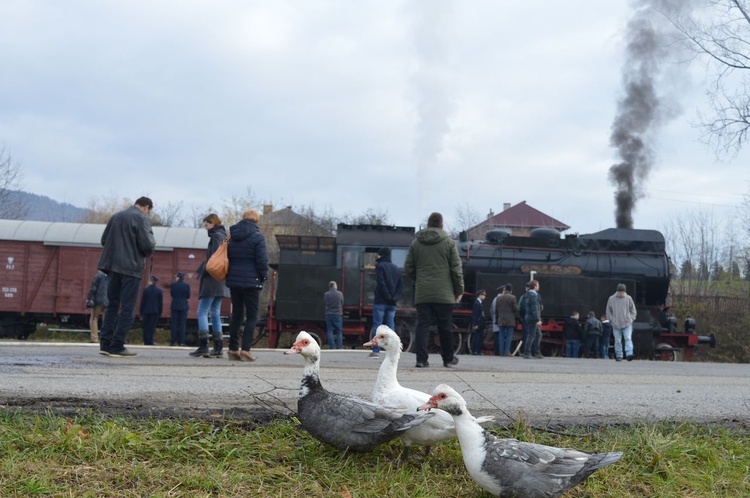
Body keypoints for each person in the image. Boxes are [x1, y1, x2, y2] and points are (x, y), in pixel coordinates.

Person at [404, 212, 464, 368]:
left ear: (428, 225)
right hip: (444, 293)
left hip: (423, 292)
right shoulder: (449, 243)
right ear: (442, 225)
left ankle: (421, 360)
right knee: (445, 326)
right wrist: (459, 290)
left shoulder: (416, 243)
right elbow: (456, 270)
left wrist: (421, 279)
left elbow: (408, 268)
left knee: (422, 325)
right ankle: (448, 359)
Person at [97, 196, 156, 357]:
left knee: (111, 305)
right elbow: (147, 245)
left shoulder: (116, 216)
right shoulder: (141, 218)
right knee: (128, 308)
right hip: (131, 269)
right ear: (147, 207)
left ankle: (105, 344)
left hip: (112, 267)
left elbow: (104, 240)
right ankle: (117, 345)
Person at [225, 209, 268, 362]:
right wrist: (264, 277)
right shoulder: (258, 238)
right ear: (256, 221)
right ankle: (246, 350)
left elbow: (227, 257)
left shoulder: (232, 236)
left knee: (236, 315)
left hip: (234, 281)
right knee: (251, 316)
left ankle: (232, 349)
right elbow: (262, 261)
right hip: (252, 282)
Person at [195, 213, 230, 357]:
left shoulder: (216, 236)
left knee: (202, 312)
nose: (205, 227)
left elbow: (215, 259)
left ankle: (204, 345)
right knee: (215, 313)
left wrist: (203, 269)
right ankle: (218, 348)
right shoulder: (224, 235)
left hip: (212, 278)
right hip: (220, 280)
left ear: (213, 223)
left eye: (207, 224)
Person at [368, 247, 404, 358]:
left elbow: (381, 283)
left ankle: (376, 351)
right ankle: (392, 352)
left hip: (381, 301)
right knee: (390, 328)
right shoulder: (396, 269)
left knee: (377, 327)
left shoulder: (380, 266)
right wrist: (394, 298)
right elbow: (400, 286)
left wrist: (387, 296)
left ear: (382, 255)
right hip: (392, 303)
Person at [606, 283, 637, 361]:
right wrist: (612, 320)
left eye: (623, 292)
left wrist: (631, 319)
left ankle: (629, 354)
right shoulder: (611, 299)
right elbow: (608, 311)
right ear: (617, 292)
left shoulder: (628, 298)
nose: (622, 294)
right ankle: (619, 355)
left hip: (627, 323)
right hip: (616, 324)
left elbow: (633, 310)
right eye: (621, 292)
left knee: (628, 338)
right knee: (617, 340)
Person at [494, 283, 518, 356]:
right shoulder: (513, 297)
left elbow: (496, 310)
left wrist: (497, 319)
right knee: (508, 336)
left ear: (505, 289)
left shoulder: (499, 298)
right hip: (510, 320)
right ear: (511, 290)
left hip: (501, 320)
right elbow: (515, 309)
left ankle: (501, 352)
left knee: (501, 336)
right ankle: (507, 351)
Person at [522, 280, 543, 359]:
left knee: (538, 334)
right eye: (538, 285)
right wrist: (537, 319)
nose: (538, 287)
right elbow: (534, 309)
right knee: (531, 335)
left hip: (531, 318)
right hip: (532, 319)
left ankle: (536, 352)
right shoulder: (533, 295)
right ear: (535, 286)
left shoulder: (530, 294)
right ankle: (527, 353)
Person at [86, 270, 108, 343]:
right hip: (108, 301)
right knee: (106, 321)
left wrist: (89, 298)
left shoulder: (98, 275)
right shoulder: (111, 276)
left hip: (98, 301)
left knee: (94, 319)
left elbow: (93, 288)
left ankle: (95, 338)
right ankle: (106, 338)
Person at [139, 276, 162, 345]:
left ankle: (146, 340)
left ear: (152, 282)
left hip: (146, 311)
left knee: (145, 326)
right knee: (152, 326)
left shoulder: (146, 290)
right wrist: (160, 311)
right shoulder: (159, 291)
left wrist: (141, 311)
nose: (148, 282)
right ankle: (150, 340)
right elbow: (160, 303)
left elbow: (143, 301)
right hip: (155, 311)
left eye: (149, 281)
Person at [170, 272, 190, 349]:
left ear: (178, 277)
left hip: (174, 305)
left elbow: (172, 294)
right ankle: (182, 342)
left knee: (174, 324)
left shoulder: (173, 285)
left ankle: (173, 342)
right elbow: (188, 295)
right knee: (182, 325)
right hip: (184, 306)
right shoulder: (187, 285)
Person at [324, 281, 344, 350]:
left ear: (329, 286)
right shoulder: (339, 294)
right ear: (335, 286)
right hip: (337, 314)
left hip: (328, 314)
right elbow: (342, 302)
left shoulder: (326, 294)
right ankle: (339, 346)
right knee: (339, 331)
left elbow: (325, 302)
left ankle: (332, 346)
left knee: (330, 330)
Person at [470, 289, 487, 355]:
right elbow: (475, 315)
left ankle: (475, 350)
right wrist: (476, 324)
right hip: (479, 322)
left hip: (480, 322)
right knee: (478, 336)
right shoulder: (477, 303)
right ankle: (476, 350)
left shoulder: (478, 303)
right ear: (480, 295)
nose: (485, 297)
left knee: (478, 336)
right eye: (484, 295)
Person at [517, 282, 531, 354]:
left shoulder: (523, 297)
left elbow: (519, 308)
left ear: (526, 288)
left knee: (525, 334)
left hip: (525, 318)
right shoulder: (535, 296)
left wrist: (521, 317)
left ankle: (525, 351)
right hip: (532, 319)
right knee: (532, 334)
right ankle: (532, 351)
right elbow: (541, 307)